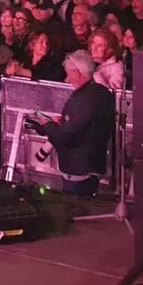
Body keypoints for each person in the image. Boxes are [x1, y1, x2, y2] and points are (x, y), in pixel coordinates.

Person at [25, 51, 116, 196]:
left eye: (69, 74)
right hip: (95, 164)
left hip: (78, 170)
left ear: (78, 72)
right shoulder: (103, 93)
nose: (67, 78)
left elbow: (66, 138)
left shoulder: (81, 100)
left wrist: (48, 125)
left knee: (74, 212)